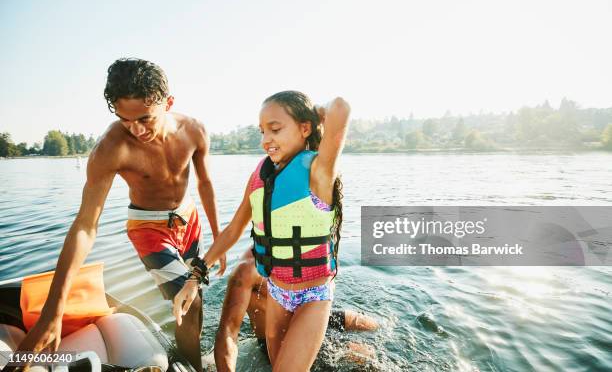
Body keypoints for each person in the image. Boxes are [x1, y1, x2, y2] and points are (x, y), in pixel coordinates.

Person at [17, 58, 224, 371]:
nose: (136, 130)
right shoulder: (111, 148)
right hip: (148, 227)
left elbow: (206, 183)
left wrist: (218, 234)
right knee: (189, 300)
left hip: (189, 219)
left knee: (196, 297)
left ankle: (189, 354)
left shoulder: (194, 130)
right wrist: (52, 312)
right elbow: (86, 226)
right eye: (125, 120)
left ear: (168, 103)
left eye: (145, 118)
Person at [174, 91, 350, 371]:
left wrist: (314, 113)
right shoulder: (260, 175)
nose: (265, 139)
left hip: (313, 295)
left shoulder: (319, 171)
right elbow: (233, 229)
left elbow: (340, 107)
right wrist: (195, 277)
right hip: (278, 294)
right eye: (262, 131)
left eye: (275, 129)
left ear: (305, 128)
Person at [213, 248, 379, 371]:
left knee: (373, 328)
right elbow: (228, 330)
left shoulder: (310, 251)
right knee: (359, 359)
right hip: (280, 340)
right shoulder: (248, 270)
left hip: (316, 322)